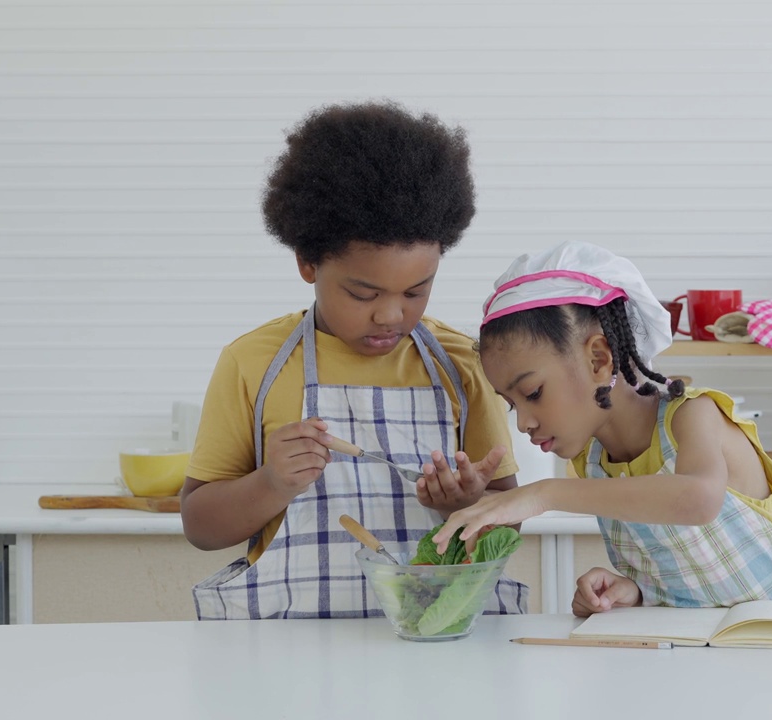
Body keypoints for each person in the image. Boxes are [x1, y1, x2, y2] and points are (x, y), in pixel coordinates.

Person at [181, 100, 527, 619]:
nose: (390, 315)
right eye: (363, 294)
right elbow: (201, 528)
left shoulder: (462, 364)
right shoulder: (254, 363)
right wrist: (271, 483)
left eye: (417, 290)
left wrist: (463, 504)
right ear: (307, 262)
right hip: (289, 652)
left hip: (436, 646)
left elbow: (509, 522)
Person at [434, 241, 772, 617]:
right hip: (702, 660)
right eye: (510, 404)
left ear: (599, 359)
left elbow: (698, 499)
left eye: (533, 393)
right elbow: (694, 584)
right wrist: (638, 592)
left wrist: (544, 494)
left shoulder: (692, 416)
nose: (522, 423)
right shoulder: (592, 462)